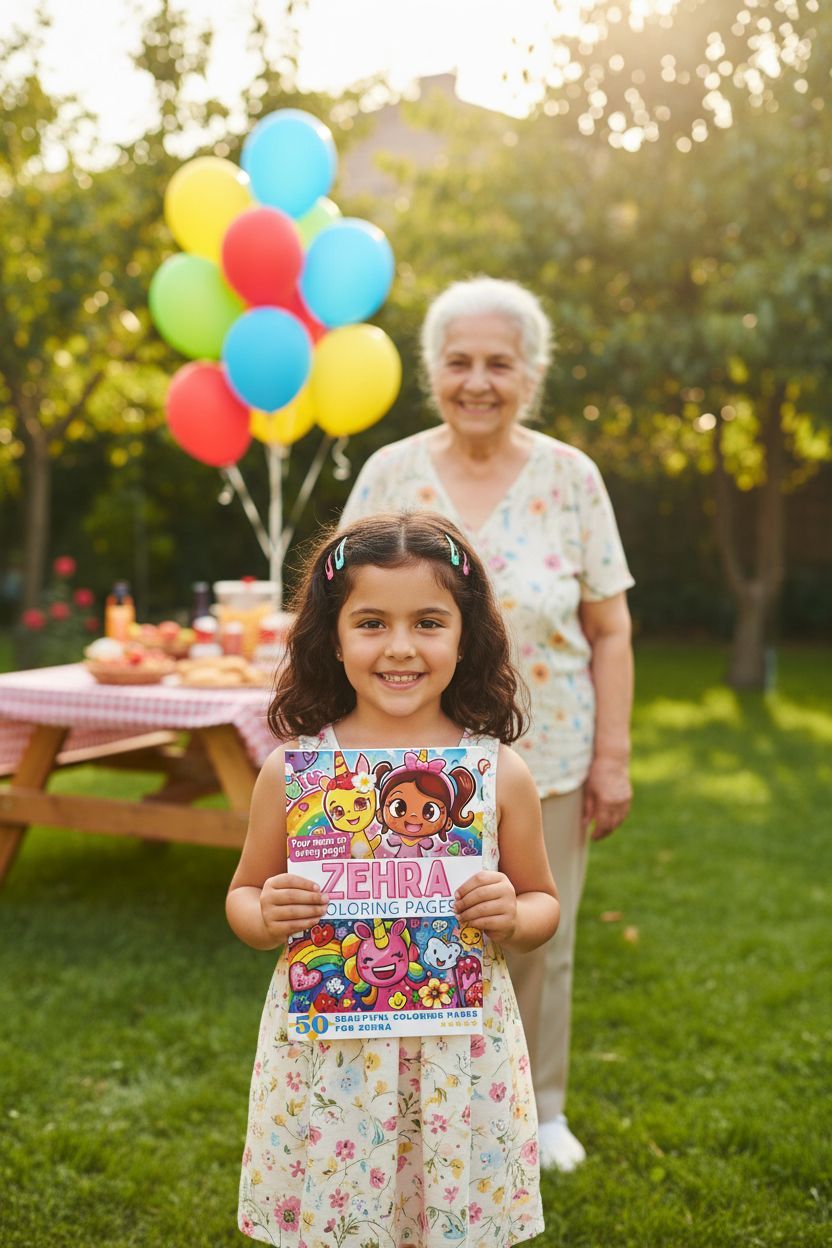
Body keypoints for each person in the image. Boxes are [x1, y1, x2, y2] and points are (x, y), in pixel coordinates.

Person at [340, 277, 635, 1171]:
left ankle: (540, 1109)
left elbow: (610, 626)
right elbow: (333, 609)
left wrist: (612, 758)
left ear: (530, 374)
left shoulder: (571, 475)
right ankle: (402, 1104)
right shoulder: (391, 471)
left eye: (498, 363)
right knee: (401, 932)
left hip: (543, 756)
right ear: (433, 371)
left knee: (538, 929)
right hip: (399, 756)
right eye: (459, 361)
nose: (478, 380)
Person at [227, 512, 560, 1247]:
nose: (401, 647)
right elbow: (244, 893)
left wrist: (512, 910)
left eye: (429, 622)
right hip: (331, 1053)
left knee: (447, 1218)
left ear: (466, 635)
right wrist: (264, 912)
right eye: (372, 622)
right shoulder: (295, 772)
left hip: (458, 1053)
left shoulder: (498, 773)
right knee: (341, 1220)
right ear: (333, 638)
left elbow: (543, 904)